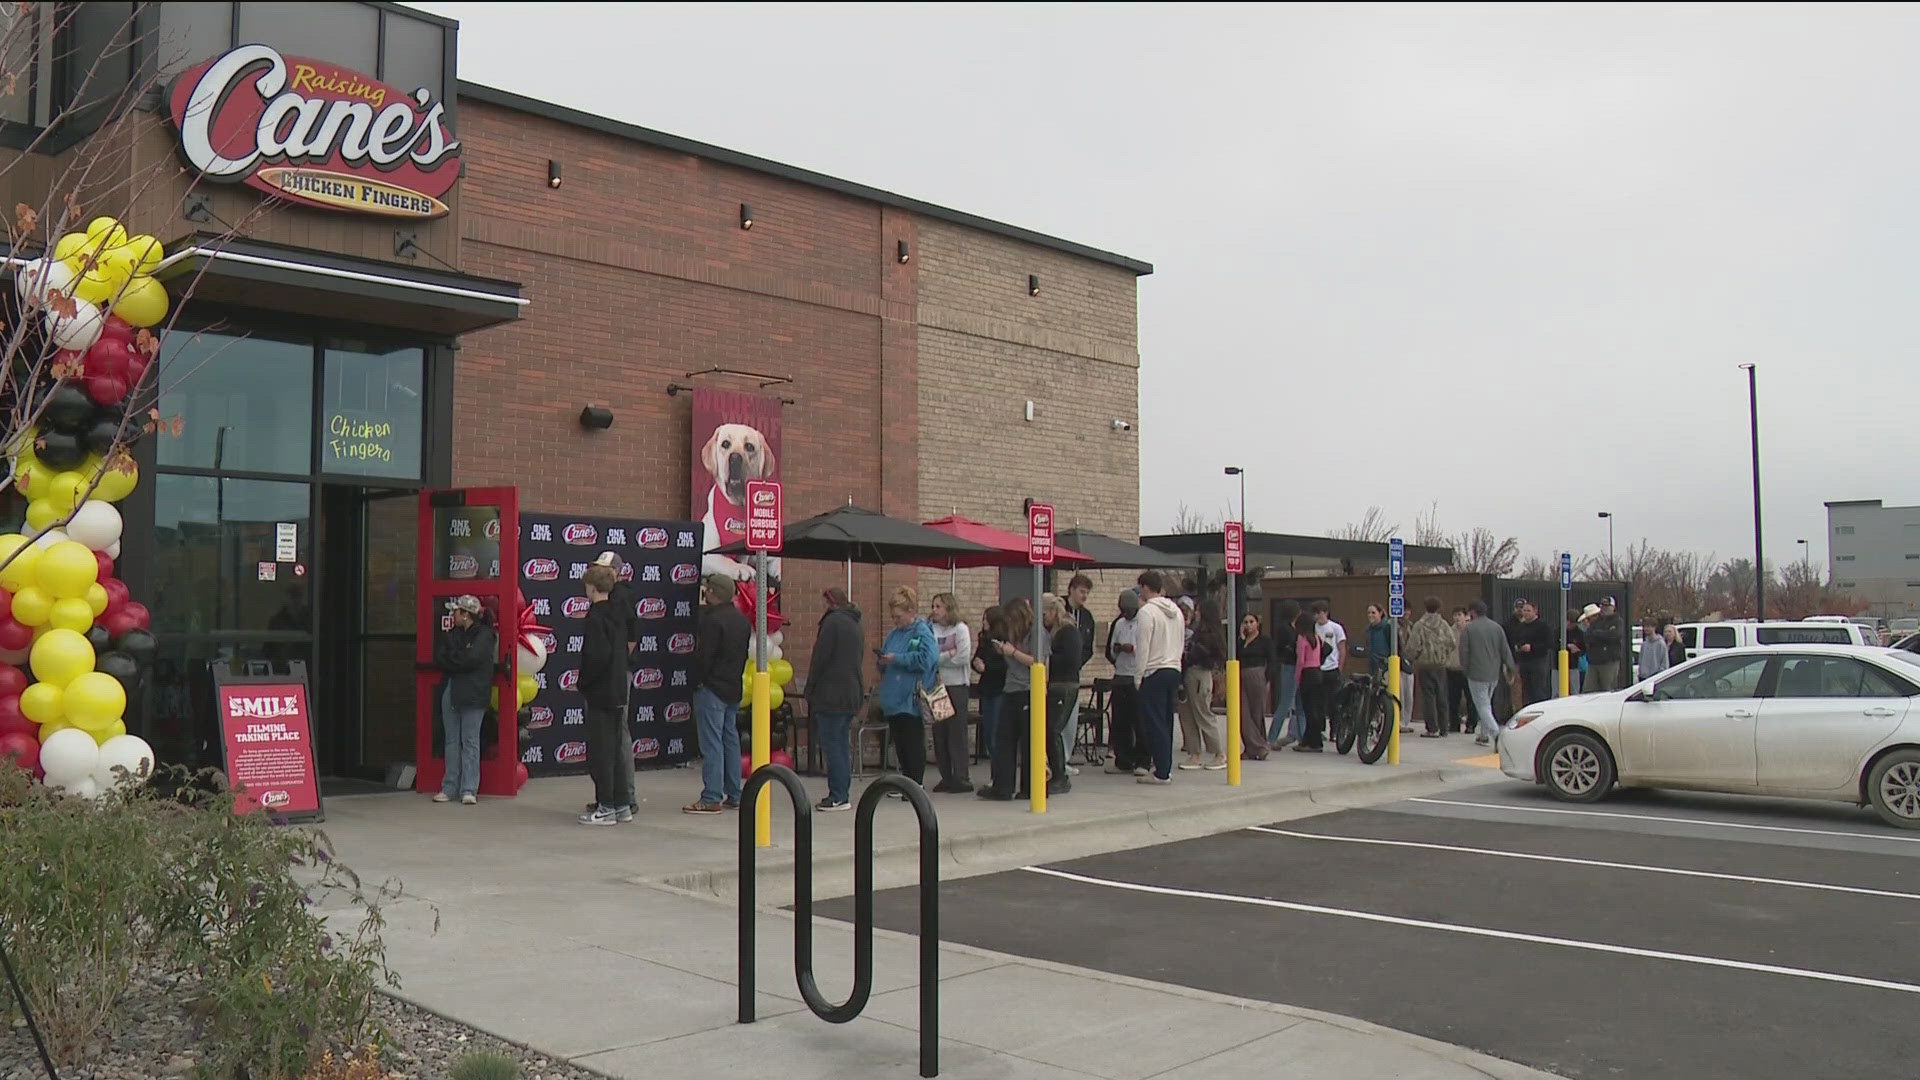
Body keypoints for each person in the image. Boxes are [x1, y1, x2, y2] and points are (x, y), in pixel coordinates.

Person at [686, 573, 750, 815]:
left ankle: (712, 797)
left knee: (712, 744)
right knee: (730, 742)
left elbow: (705, 657)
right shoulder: (741, 621)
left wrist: (698, 681)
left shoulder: (712, 621)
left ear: (712, 593)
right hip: (733, 687)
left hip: (712, 688)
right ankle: (735, 793)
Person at [578, 564, 635, 826]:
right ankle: (622, 804)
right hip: (618, 689)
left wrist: (584, 682)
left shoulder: (595, 617)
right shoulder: (619, 613)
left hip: (600, 691)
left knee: (601, 752)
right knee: (615, 751)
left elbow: (596, 656)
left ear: (591, 588)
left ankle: (606, 806)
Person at [432, 594, 497, 805]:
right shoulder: (452, 634)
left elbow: (473, 659)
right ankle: (449, 787)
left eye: (456, 612)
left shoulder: (485, 634)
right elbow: (441, 657)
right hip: (451, 690)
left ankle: (469, 788)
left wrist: (457, 658)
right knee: (451, 740)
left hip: (473, 692)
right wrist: (460, 658)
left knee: (470, 741)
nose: (453, 615)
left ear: (466, 615)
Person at [805, 587, 865, 812]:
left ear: (830, 603)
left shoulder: (832, 623)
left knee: (833, 746)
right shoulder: (855, 623)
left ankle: (838, 795)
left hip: (831, 693)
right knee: (841, 744)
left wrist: (810, 689)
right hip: (851, 692)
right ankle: (842, 792)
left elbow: (820, 658)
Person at [980, 597, 1045, 800]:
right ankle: (1002, 786)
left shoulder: (1036, 633)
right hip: (1010, 688)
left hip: (1028, 690)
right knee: (1003, 739)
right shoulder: (1014, 633)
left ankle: (1030, 787)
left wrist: (1013, 652)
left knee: (1028, 741)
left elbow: (1038, 661)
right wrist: (1003, 651)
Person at [876, 586, 938, 790]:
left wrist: (899, 659)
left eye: (899, 616)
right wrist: (883, 661)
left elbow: (927, 659)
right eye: (893, 617)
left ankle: (915, 783)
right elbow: (886, 654)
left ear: (911, 612)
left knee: (912, 743)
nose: (896, 621)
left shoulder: (922, 631)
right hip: (893, 696)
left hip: (911, 697)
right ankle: (905, 781)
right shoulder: (894, 634)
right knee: (900, 744)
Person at [1132, 571, 1185, 784]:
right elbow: (1181, 642)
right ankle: (1165, 766)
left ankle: (1161, 772)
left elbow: (1143, 647)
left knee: (1154, 723)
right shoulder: (1177, 611)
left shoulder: (1146, 612)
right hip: (1173, 667)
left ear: (1145, 587)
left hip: (1153, 670)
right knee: (1166, 721)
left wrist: (1138, 676)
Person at [928, 593, 974, 793]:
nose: (934, 610)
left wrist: (942, 657)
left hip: (957, 685)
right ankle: (945, 776)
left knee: (957, 733)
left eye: (938, 606)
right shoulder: (932, 630)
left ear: (948, 608)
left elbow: (963, 657)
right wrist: (948, 654)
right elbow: (930, 657)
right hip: (938, 685)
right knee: (940, 733)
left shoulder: (960, 629)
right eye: (933, 606)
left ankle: (961, 776)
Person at [1038, 594, 1081, 794]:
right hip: (1056, 684)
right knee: (1049, 730)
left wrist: (1048, 659)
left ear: (1054, 612)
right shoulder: (1054, 632)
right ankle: (1056, 772)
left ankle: (1060, 775)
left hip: (1065, 684)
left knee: (1053, 729)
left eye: (1045, 614)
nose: (1043, 618)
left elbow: (1072, 659)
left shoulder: (1068, 631)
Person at [1177, 600, 1227, 770]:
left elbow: (1208, 655)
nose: (1195, 613)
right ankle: (1194, 753)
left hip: (1199, 673)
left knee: (1202, 713)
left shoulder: (1208, 634)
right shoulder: (1198, 631)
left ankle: (1219, 753)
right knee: (1187, 715)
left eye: (1198, 610)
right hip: (1189, 673)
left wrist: (1191, 654)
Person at [1461, 600, 1516, 745]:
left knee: (1482, 705)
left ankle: (1496, 733)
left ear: (1473, 612)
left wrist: (1465, 669)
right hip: (1493, 673)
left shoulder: (1469, 629)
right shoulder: (1496, 627)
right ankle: (1483, 735)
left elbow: (1464, 652)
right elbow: (1505, 649)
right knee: (1487, 703)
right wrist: (1510, 667)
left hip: (1476, 673)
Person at [1103, 589, 1145, 775]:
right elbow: (1110, 649)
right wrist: (1118, 650)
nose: (1126, 614)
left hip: (1136, 676)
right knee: (1120, 720)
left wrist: (1132, 648)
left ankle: (1141, 759)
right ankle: (1123, 759)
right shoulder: (1119, 624)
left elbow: (1146, 648)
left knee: (1139, 720)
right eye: (1123, 610)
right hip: (1120, 675)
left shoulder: (1143, 623)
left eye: (1128, 610)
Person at [1405, 597, 1457, 738]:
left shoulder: (1419, 625)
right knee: (1442, 695)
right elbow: (1452, 642)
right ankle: (1444, 727)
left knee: (1428, 697)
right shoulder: (1444, 624)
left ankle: (1432, 728)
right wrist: (1444, 654)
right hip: (1440, 665)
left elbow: (1412, 647)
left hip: (1424, 665)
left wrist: (1412, 658)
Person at [1061, 573, 1097, 776]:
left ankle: (1065, 757)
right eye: (1082, 591)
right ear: (1071, 590)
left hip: (1073, 674)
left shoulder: (1087, 617)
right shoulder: (1059, 610)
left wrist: (1077, 662)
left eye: (1087, 593)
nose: (1084, 596)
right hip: (1056, 674)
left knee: (1070, 720)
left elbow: (1088, 647)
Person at [972, 606, 1008, 760]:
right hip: (987, 689)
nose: (983, 622)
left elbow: (1005, 666)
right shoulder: (984, 639)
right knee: (988, 732)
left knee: (995, 734)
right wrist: (976, 664)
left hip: (1000, 689)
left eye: (986, 618)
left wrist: (987, 668)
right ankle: (995, 774)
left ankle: (999, 776)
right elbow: (977, 658)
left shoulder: (1003, 641)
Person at [1290, 611, 1329, 752]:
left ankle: (1312, 742)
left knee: (1308, 709)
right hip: (1317, 672)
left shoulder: (1302, 638)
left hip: (1307, 673)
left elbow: (1300, 660)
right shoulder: (1316, 638)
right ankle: (1313, 739)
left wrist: (1298, 677)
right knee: (1315, 708)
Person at [1236, 612, 1272, 760]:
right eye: (1245, 622)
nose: (1248, 625)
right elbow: (1235, 655)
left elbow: (1272, 659)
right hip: (1240, 674)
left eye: (1251, 622)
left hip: (1257, 675)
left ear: (1257, 624)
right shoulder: (1241, 641)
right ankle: (1255, 746)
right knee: (1242, 713)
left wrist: (1267, 678)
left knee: (1257, 713)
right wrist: (1241, 638)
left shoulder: (1264, 640)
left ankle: (1257, 747)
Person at [1267, 599, 1302, 748]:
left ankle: (1299, 735)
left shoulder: (1293, 628)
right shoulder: (1285, 630)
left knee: (1299, 703)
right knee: (1286, 702)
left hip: (1298, 666)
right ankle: (1272, 737)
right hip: (1289, 666)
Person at [1507, 599, 1554, 707]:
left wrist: (1532, 647)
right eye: (1524, 610)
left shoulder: (1542, 625)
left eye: (1528, 610)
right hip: (1524, 661)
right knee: (1525, 690)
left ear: (1535, 611)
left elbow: (1548, 643)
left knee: (1538, 689)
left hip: (1538, 661)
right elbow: (1515, 639)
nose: (1525, 613)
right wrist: (1518, 646)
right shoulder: (1521, 626)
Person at [1584, 596, 1625, 692]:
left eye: (1606, 606)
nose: (1603, 608)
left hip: (1609, 662)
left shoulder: (1617, 621)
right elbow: (1588, 636)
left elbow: (1614, 635)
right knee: (1588, 690)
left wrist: (1597, 634)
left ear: (1613, 607)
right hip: (1593, 662)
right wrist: (1603, 634)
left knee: (1607, 690)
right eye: (1602, 606)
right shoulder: (1596, 622)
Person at [1446, 607, 1471, 733]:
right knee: (1453, 699)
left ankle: (1471, 724)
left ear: (1465, 616)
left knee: (1470, 698)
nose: (1457, 618)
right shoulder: (1450, 631)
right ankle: (1454, 724)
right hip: (1453, 668)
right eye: (1455, 615)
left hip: (1467, 669)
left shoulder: (1470, 630)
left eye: (1459, 615)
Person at [1564, 613, 1586, 694]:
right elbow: (1553, 644)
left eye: (1572, 623)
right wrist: (1567, 646)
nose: (1569, 624)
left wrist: (1578, 650)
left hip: (1574, 665)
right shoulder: (1558, 631)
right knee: (1557, 691)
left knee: (1574, 690)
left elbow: (1584, 648)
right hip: (1558, 666)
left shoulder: (1580, 633)